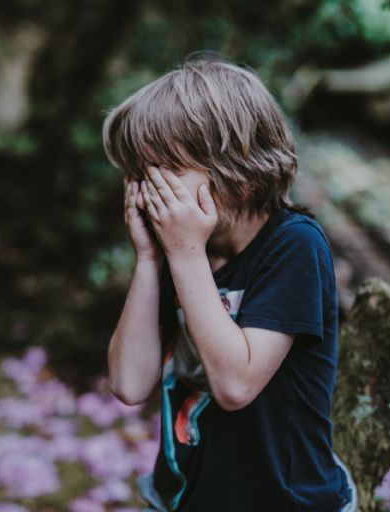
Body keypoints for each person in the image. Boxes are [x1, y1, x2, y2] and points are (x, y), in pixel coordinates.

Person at [103, 57, 358, 511]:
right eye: (141, 174)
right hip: (183, 498)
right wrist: (147, 259)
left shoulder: (294, 245)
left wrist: (184, 254)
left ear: (239, 173)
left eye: (165, 172)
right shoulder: (177, 250)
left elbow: (236, 385)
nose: (151, 190)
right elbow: (129, 383)